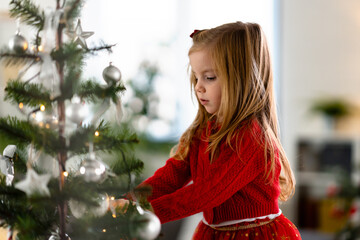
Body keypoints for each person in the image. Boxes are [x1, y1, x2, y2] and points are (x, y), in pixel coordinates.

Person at [118, 21, 302, 240]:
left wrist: (145, 211)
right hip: (214, 232)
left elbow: (206, 193)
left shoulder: (253, 137)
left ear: (240, 80)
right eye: (196, 76)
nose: (198, 86)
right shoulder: (203, 130)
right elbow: (172, 175)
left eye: (209, 77)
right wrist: (130, 200)